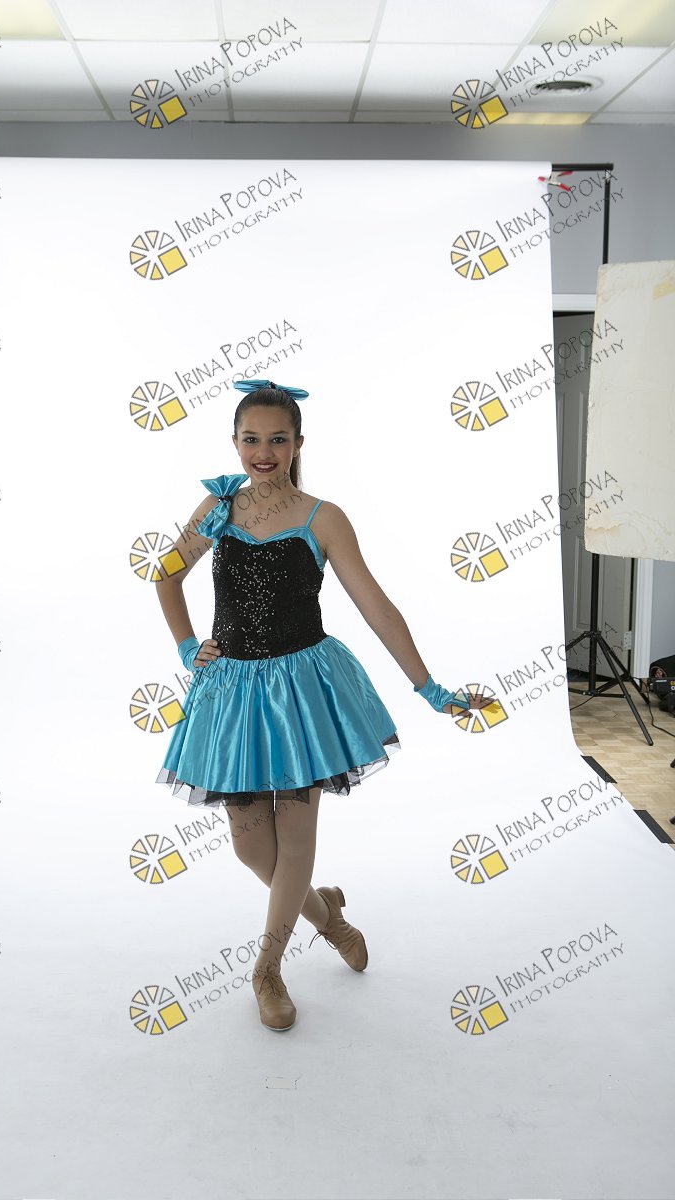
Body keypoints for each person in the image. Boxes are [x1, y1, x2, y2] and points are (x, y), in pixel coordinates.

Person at [154, 379, 494, 1033]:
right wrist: (189, 646)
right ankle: (329, 916)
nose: (263, 452)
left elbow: (377, 607)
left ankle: (267, 969)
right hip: (233, 693)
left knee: (296, 838)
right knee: (251, 849)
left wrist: (432, 690)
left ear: (298, 444)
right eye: (251, 439)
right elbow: (166, 574)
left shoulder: (323, 518)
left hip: (301, 695)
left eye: (277, 439)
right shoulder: (219, 506)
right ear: (235, 442)